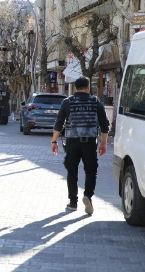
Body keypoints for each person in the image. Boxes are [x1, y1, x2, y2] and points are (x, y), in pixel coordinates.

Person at [51, 77, 110, 215]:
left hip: (72, 142)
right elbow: (104, 125)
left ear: (75, 88)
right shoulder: (96, 102)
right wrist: (104, 143)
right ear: (88, 87)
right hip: (89, 142)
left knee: (72, 172)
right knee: (91, 171)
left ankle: (73, 203)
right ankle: (87, 196)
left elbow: (58, 123)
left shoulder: (67, 102)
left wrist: (54, 142)